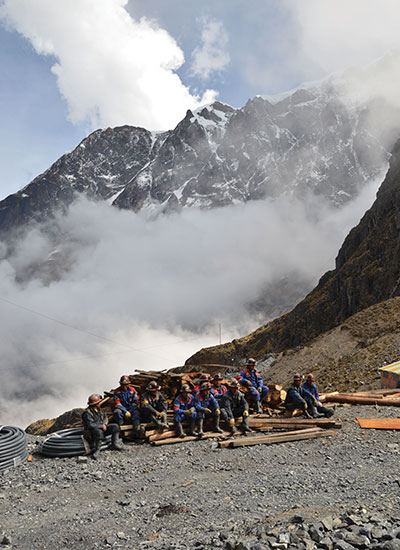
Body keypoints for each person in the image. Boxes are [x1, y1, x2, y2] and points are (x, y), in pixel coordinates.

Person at [82, 393, 123, 459]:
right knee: (98, 432)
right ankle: (97, 450)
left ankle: (114, 444)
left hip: (102, 428)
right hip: (91, 432)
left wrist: (104, 424)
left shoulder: (100, 410)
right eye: (99, 402)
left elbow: (105, 417)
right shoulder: (87, 413)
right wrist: (101, 426)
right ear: (95, 404)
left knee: (115, 427)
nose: (100, 403)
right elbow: (90, 425)